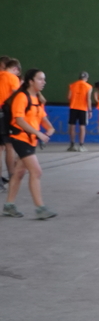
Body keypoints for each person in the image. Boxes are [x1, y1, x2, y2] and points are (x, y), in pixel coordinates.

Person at [2, 69, 57, 219]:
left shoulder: (37, 98)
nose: (43, 82)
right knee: (36, 172)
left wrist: (50, 128)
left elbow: (42, 117)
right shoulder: (21, 97)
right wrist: (38, 133)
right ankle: (40, 208)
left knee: (19, 172)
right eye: (40, 79)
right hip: (20, 138)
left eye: (44, 79)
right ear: (30, 81)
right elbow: (19, 120)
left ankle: (9, 206)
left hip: (30, 140)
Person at [0, 57, 22, 187]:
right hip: (4, 114)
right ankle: (12, 176)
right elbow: (17, 97)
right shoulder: (12, 78)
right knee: (9, 146)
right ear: (15, 69)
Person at [66, 72, 92, 152]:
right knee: (82, 126)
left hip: (73, 107)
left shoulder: (72, 85)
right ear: (86, 78)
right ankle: (81, 145)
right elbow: (88, 99)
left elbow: (69, 97)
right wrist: (90, 110)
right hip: (83, 108)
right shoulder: (88, 86)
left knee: (72, 126)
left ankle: (72, 145)